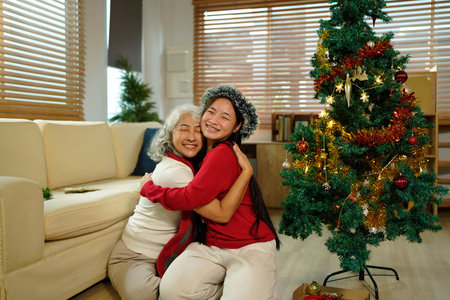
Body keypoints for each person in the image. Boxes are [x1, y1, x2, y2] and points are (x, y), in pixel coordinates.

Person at [141, 85, 281, 300]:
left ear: (237, 126)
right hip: (211, 245)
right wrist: (247, 173)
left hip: (249, 246)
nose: (214, 120)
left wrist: (149, 189)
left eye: (225, 117)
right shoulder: (202, 153)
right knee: (171, 291)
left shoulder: (222, 153)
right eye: (211, 112)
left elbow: (192, 198)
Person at [107, 103, 253, 300]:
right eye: (184, 129)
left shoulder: (195, 167)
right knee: (147, 295)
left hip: (172, 256)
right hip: (135, 256)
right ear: (169, 136)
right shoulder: (175, 173)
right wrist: (247, 172)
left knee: (177, 289)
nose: (192, 137)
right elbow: (221, 214)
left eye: (198, 130)